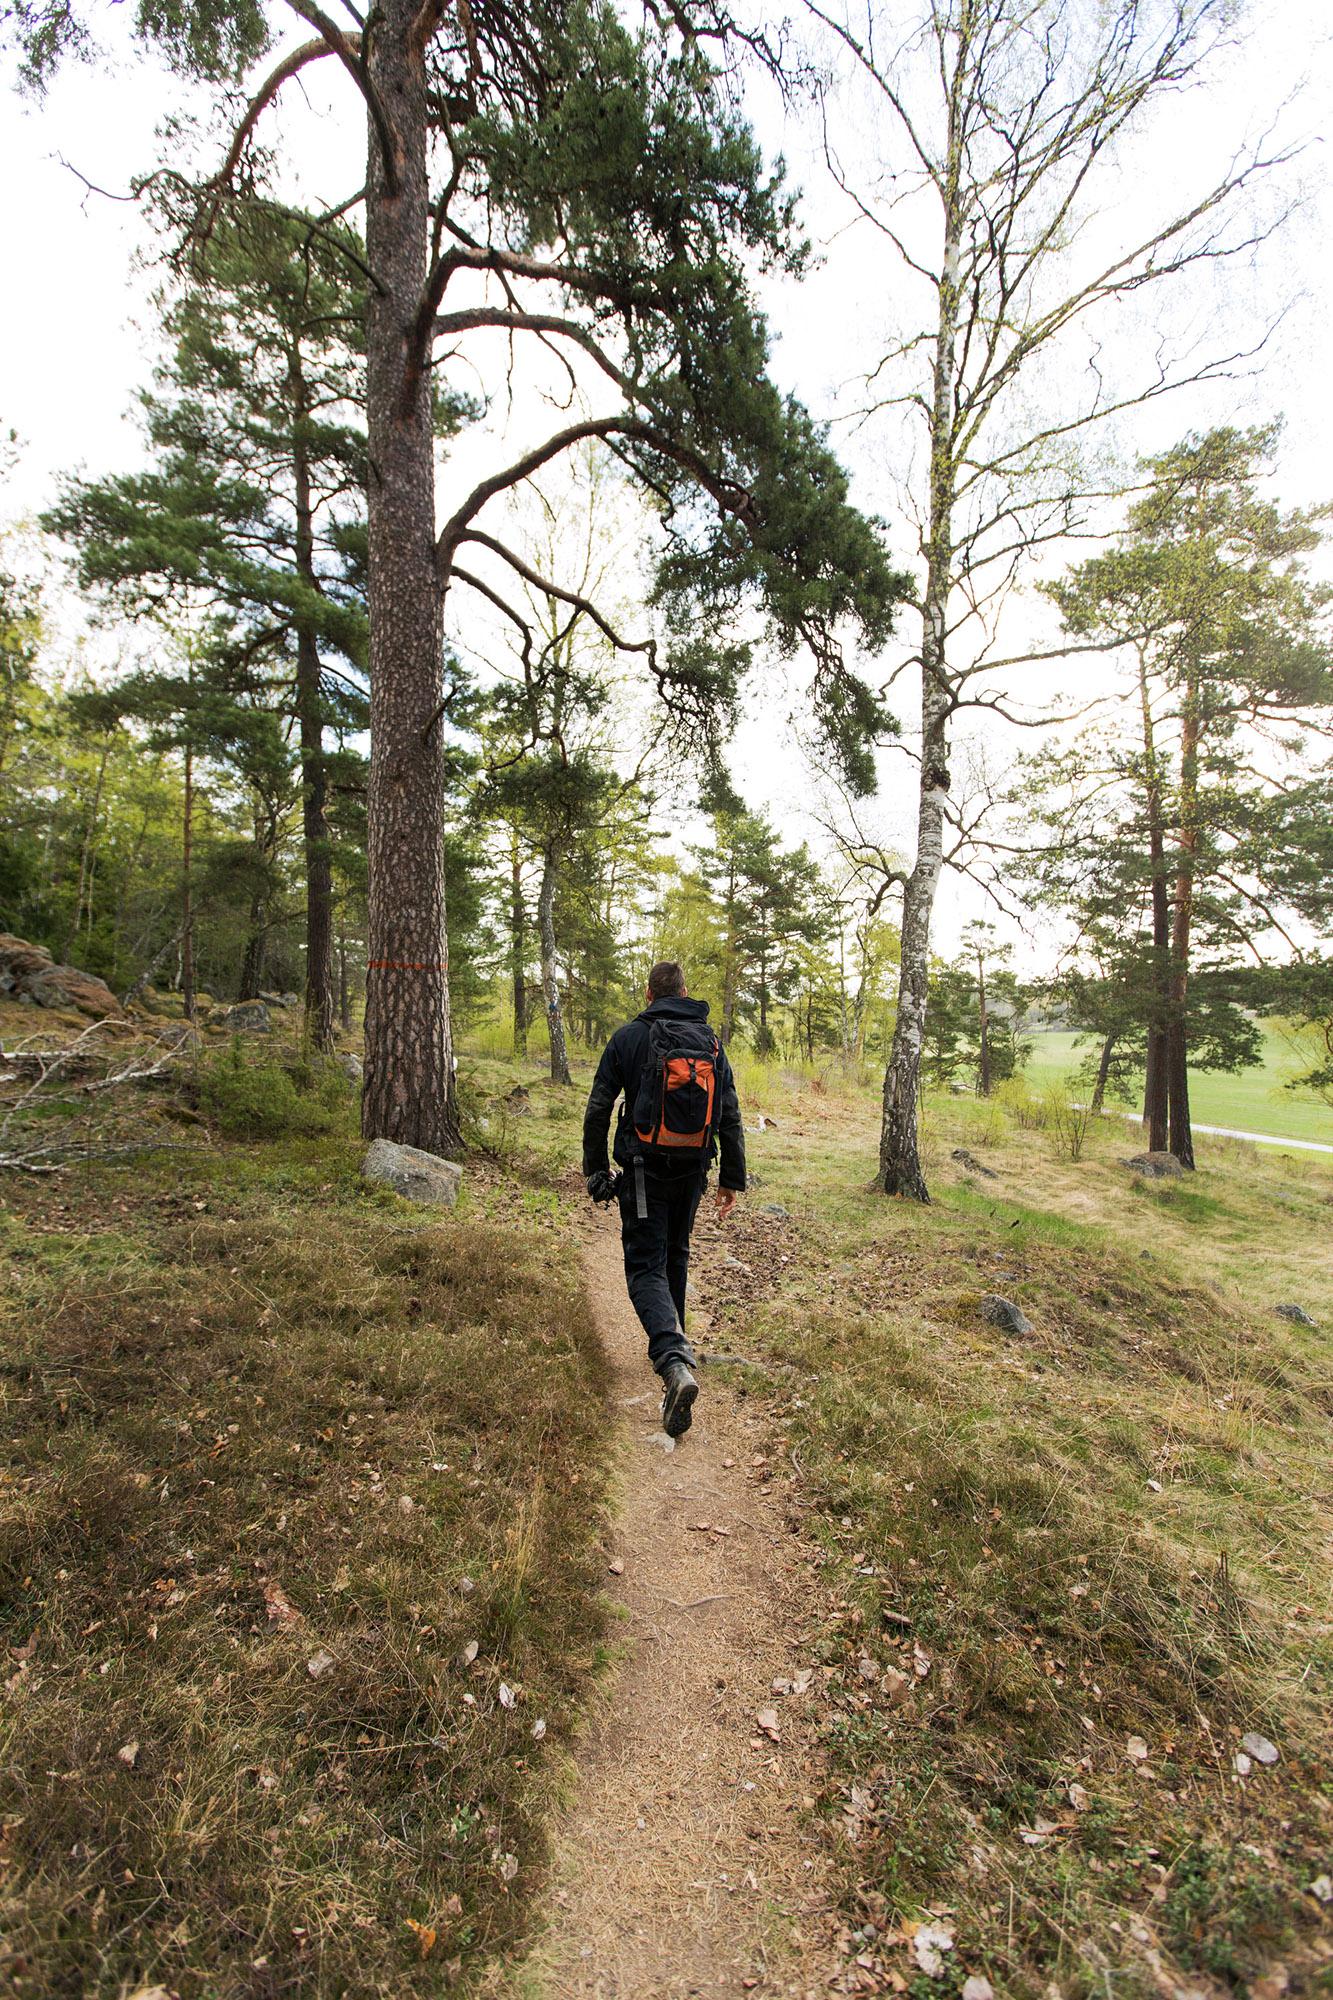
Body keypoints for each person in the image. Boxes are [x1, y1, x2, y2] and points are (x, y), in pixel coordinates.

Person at [582, 960, 746, 1437]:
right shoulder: (711, 1044)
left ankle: (674, 1363)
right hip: (694, 1170)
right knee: (675, 1255)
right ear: (685, 991)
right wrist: (730, 1178)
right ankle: (678, 1348)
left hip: (642, 1171)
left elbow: (599, 1106)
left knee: (644, 1266)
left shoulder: (629, 1038)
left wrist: (595, 1169)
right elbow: (730, 1113)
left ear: (649, 992)